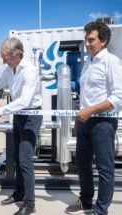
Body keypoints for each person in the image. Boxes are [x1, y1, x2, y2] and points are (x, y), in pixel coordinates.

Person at [0, 37, 43, 215]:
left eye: (6, 57)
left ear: (17, 54)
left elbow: (25, 101)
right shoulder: (9, 69)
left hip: (31, 115)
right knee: (17, 157)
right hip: (19, 116)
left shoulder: (29, 70)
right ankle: (20, 194)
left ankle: (31, 203)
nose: (3, 60)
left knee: (26, 159)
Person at [65, 21, 122, 215]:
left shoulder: (111, 62)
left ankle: (101, 209)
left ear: (104, 41)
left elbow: (118, 98)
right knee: (82, 164)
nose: (87, 44)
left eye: (91, 40)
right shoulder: (87, 64)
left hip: (103, 122)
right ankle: (86, 200)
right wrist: (78, 121)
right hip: (85, 123)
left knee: (105, 168)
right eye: (86, 40)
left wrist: (91, 111)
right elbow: (85, 97)